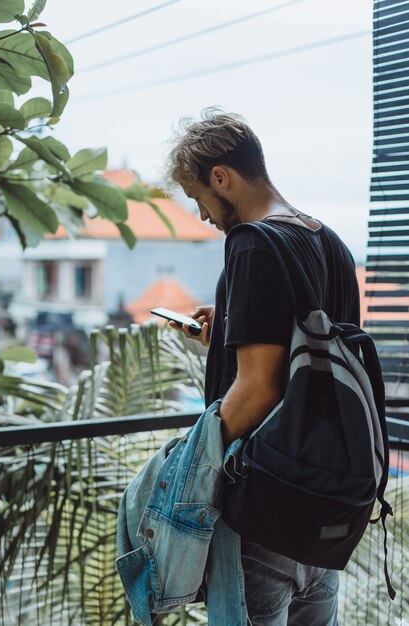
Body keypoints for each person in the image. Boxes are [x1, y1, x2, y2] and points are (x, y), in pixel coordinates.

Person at [164, 108, 360, 626]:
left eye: (198, 197)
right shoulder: (331, 243)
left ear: (221, 178)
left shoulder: (251, 244)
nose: (204, 215)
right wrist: (228, 325)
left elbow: (260, 386)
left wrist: (190, 464)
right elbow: (308, 359)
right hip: (323, 509)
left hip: (266, 509)